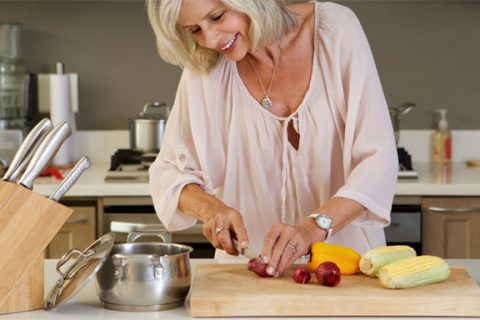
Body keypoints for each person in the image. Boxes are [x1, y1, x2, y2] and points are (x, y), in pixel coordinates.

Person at [147, 0, 398, 278]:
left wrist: (314, 227)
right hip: (247, 274)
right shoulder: (206, 65)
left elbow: (378, 160)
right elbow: (170, 173)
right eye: (195, 29)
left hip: (347, 270)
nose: (210, 39)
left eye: (217, 17)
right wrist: (211, 210)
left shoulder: (336, 29)